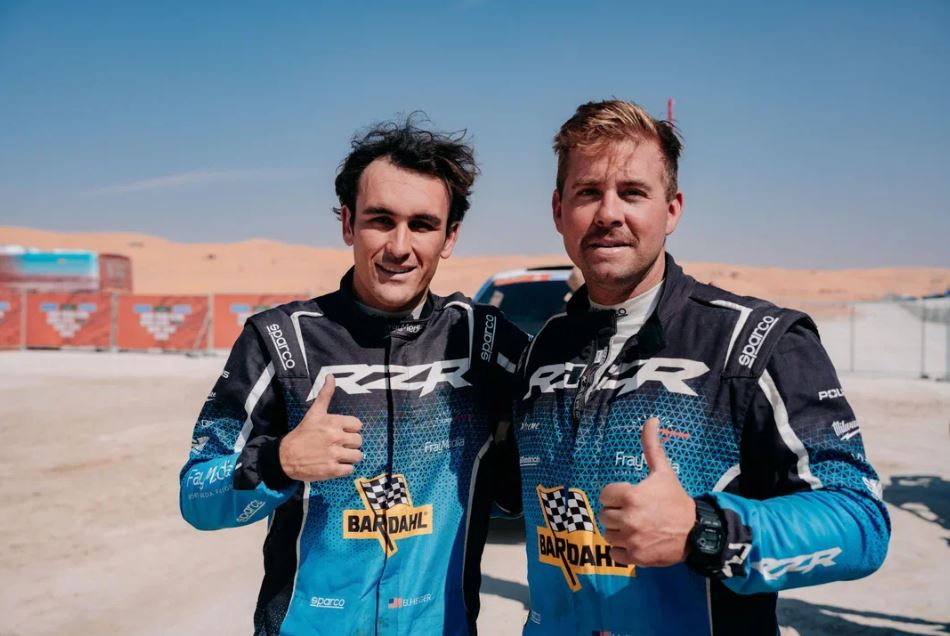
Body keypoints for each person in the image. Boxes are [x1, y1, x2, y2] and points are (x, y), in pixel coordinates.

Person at [513, 100, 890, 635]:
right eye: (588, 192)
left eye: (633, 192)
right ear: (559, 210)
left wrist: (707, 531)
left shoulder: (757, 341)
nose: (608, 213)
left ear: (672, 210)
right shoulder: (542, 349)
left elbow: (862, 522)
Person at [179, 118, 528, 635]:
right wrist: (279, 461)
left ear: (449, 236)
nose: (399, 247)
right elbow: (196, 498)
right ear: (348, 223)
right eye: (380, 220)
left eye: (423, 225)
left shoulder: (484, 340)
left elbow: (547, 465)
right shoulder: (280, 340)